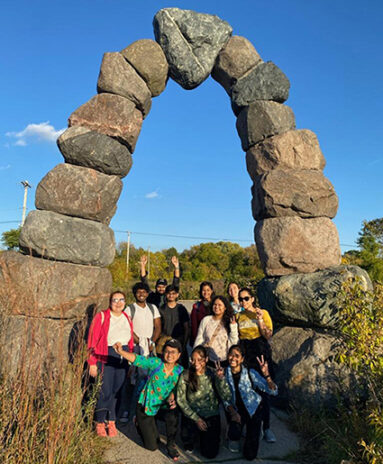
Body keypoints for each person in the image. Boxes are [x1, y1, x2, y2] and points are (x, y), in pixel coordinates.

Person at [113, 338, 184, 460]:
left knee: (173, 415)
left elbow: (179, 389)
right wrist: (121, 352)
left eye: (173, 352)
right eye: (167, 351)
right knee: (152, 446)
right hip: (147, 405)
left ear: (179, 355)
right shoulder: (156, 363)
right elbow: (138, 360)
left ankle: (171, 444)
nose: (170, 355)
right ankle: (138, 421)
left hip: (164, 406)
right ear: (163, 352)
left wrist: (172, 396)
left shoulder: (180, 370)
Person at [87, 291, 134, 437]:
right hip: (105, 355)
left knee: (116, 390)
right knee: (104, 391)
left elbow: (131, 341)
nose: (118, 303)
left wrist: (131, 360)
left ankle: (111, 420)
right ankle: (100, 421)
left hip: (122, 356)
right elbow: (92, 341)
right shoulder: (102, 316)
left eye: (121, 299)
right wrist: (92, 363)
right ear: (110, 302)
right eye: (115, 300)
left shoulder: (127, 317)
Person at [176, 346, 232, 459]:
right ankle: (190, 438)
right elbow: (180, 400)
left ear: (206, 359)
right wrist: (196, 419)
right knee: (188, 442)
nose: (196, 363)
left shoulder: (212, 374)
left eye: (199, 359)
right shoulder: (185, 375)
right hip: (193, 415)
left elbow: (226, 396)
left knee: (210, 453)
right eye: (193, 359)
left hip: (210, 414)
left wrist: (221, 379)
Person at [236, 287, 276, 443]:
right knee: (248, 390)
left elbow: (268, 335)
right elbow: (237, 337)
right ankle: (252, 425)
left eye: (246, 298)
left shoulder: (263, 313)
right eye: (241, 299)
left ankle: (266, 428)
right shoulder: (239, 316)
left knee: (264, 390)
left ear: (252, 298)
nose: (243, 301)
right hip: (246, 354)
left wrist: (259, 320)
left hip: (260, 353)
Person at [224, 345, 278, 459]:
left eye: (237, 356)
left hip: (253, 409)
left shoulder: (250, 372)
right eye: (231, 355)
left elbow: (272, 391)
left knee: (250, 455)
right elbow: (224, 398)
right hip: (237, 410)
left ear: (242, 359)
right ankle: (235, 434)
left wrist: (267, 375)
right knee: (234, 432)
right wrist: (233, 412)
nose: (233, 358)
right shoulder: (224, 374)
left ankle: (258, 428)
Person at [120, 282, 162, 422]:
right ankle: (126, 410)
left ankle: (142, 410)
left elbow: (157, 326)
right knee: (130, 380)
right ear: (135, 293)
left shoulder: (152, 308)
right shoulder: (129, 309)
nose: (141, 294)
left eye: (144, 292)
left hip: (149, 349)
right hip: (134, 349)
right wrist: (140, 341)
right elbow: (127, 328)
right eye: (139, 292)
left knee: (147, 380)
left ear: (148, 293)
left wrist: (151, 343)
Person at [193, 295, 238, 367]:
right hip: (208, 359)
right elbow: (200, 338)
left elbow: (234, 341)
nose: (217, 307)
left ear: (225, 307)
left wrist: (233, 327)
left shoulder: (229, 322)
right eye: (215, 304)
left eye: (220, 305)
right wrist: (195, 354)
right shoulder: (206, 320)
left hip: (224, 360)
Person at [158, 284, 190, 367]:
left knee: (181, 367)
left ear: (177, 295)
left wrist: (184, 343)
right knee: (165, 366)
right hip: (165, 341)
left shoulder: (181, 309)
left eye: (173, 293)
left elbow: (186, 327)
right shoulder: (161, 309)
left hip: (179, 340)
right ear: (165, 294)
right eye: (169, 293)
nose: (171, 295)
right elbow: (158, 327)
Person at [190, 281, 214, 346]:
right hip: (201, 338)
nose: (206, 292)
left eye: (208, 290)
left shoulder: (216, 304)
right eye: (203, 290)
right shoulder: (196, 306)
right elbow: (194, 325)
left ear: (211, 291)